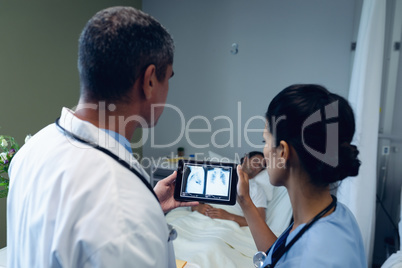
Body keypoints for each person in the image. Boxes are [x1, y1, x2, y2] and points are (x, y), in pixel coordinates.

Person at [7, 6, 197, 268]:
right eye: (169, 78)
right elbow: (113, 217)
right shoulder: (124, 209)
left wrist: (150, 205)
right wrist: (141, 211)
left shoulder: (33, 149)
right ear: (150, 81)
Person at [237, 84, 367, 267]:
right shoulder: (336, 214)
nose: (264, 151)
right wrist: (245, 201)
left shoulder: (314, 258)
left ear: (282, 152)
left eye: (265, 141)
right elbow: (280, 254)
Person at [192, 151, 267, 226]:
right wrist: (197, 208)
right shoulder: (217, 173)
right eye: (256, 161)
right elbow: (193, 203)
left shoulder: (257, 189)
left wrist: (230, 217)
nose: (257, 165)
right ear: (245, 159)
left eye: (261, 165)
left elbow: (260, 223)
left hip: (227, 225)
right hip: (200, 218)